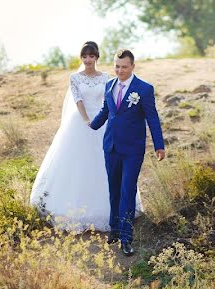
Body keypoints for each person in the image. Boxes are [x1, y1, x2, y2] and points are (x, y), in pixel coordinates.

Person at [30, 41, 140, 232]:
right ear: (81, 58)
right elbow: (78, 100)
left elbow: (109, 101)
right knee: (76, 161)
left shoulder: (106, 77)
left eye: (91, 56)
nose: (88, 60)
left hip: (102, 119)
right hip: (80, 121)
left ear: (97, 57)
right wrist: (87, 120)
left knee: (106, 161)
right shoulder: (75, 78)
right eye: (85, 56)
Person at [89, 49, 165, 256]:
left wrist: (159, 145)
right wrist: (90, 125)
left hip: (132, 150)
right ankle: (114, 229)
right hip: (111, 146)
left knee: (127, 190)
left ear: (132, 66)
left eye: (124, 67)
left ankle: (126, 237)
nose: (120, 70)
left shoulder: (144, 89)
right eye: (117, 66)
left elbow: (152, 118)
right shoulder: (109, 85)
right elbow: (106, 111)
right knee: (113, 189)